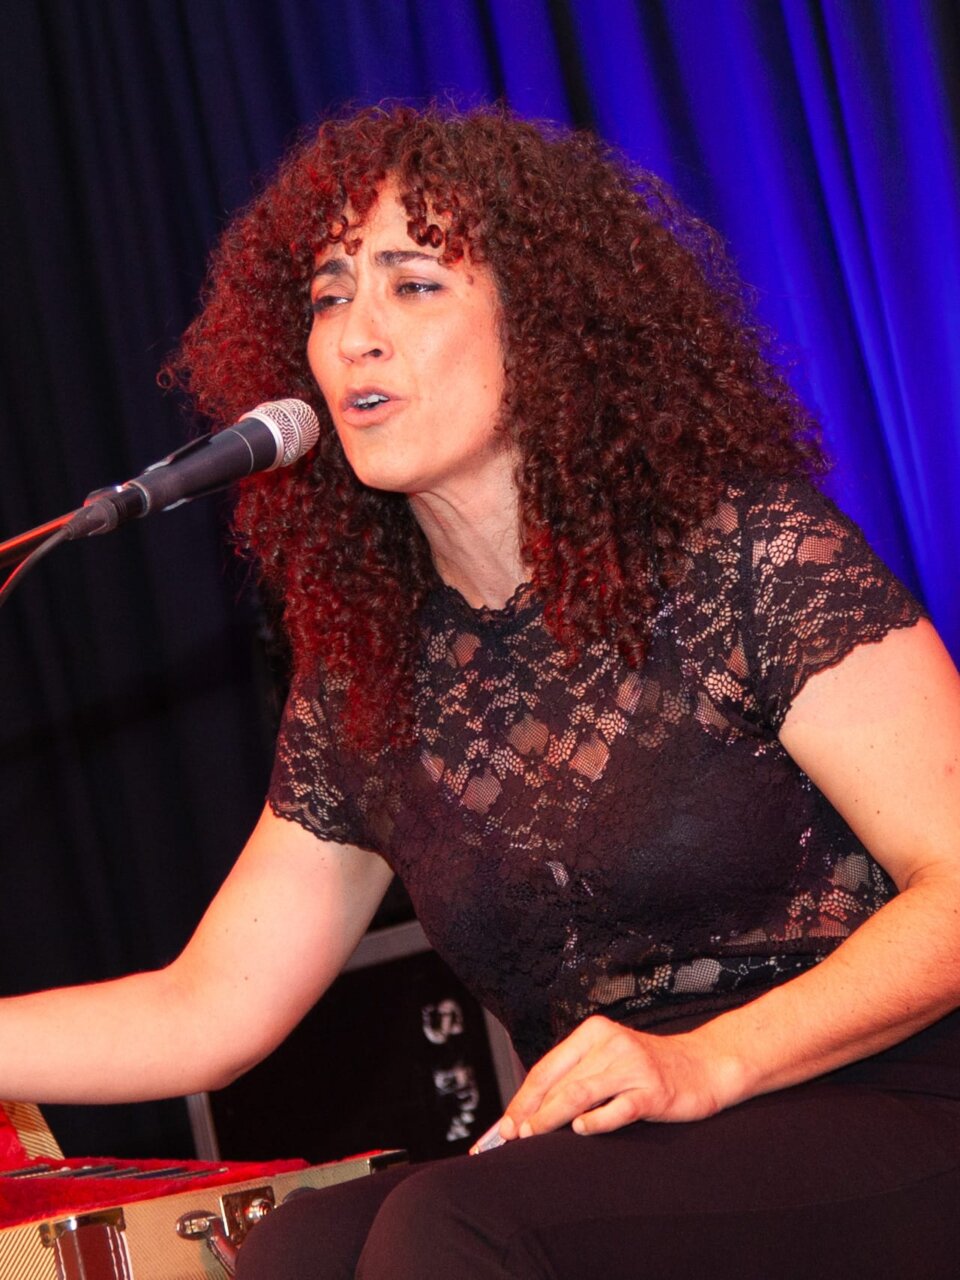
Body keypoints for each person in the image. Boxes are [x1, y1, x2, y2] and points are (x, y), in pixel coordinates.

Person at [6, 104, 960, 1277]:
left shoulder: (746, 555)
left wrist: (713, 1058)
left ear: (548, 324)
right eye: (328, 295)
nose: (355, 335)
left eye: (414, 285)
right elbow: (207, 1007)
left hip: (886, 1092)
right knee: (298, 1249)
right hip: (623, 1140)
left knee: (454, 1224)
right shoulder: (372, 676)